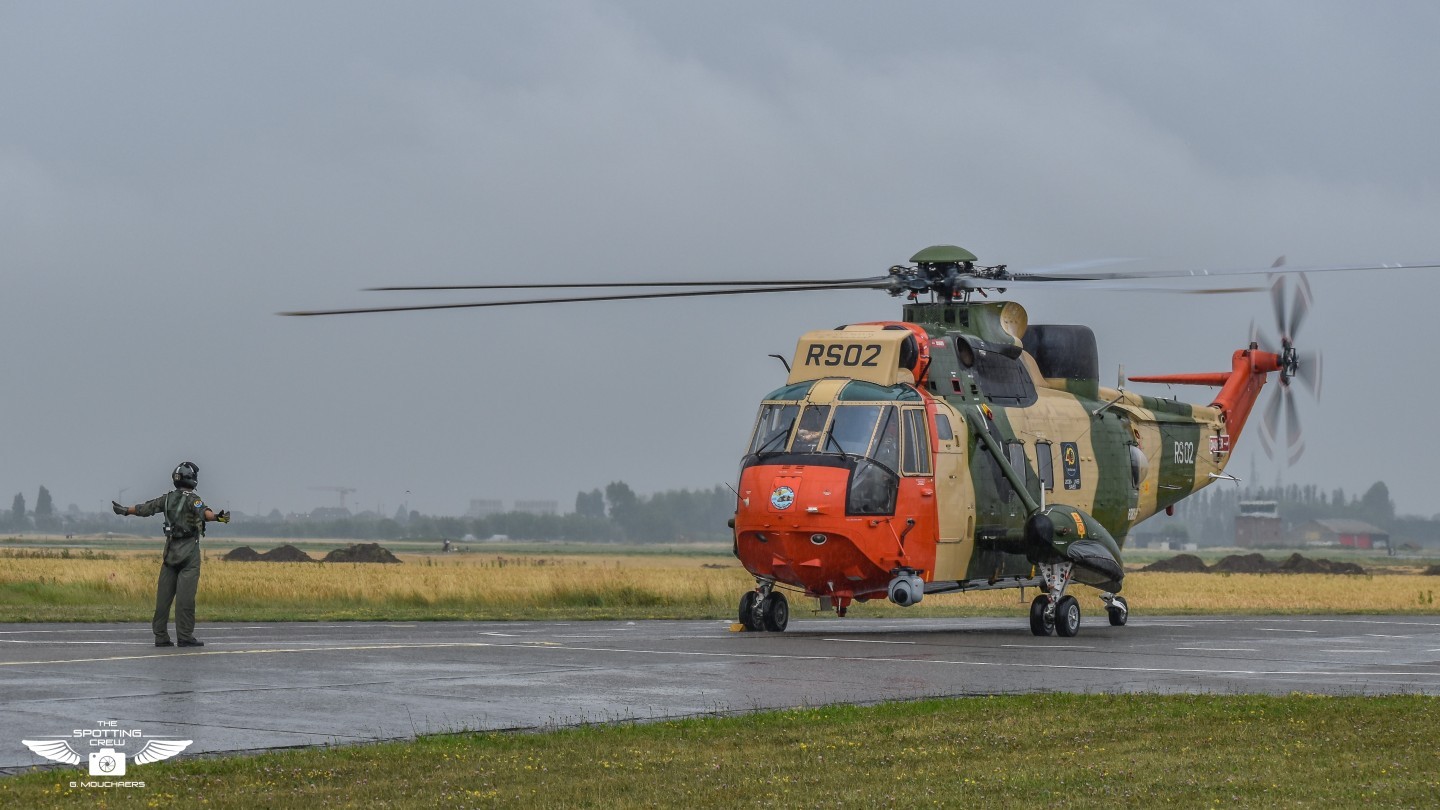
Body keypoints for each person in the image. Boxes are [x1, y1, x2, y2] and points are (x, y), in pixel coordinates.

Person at [112, 462, 229, 648]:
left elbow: (146, 508)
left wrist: (126, 510)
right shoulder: (193, 499)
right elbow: (205, 513)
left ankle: (160, 636)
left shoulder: (166, 499)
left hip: (169, 553)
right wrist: (218, 517)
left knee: (162, 600)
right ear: (192, 479)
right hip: (189, 554)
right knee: (185, 600)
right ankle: (185, 636)